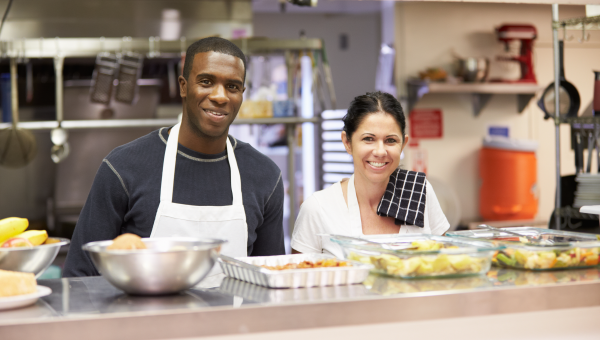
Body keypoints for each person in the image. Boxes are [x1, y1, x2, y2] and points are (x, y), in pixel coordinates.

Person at [64, 37, 285, 277]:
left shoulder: (265, 176)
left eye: (232, 86)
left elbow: (272, 279)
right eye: (206, 81)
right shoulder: (123, 168)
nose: (220, 96)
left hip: (234, 315)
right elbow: (79, 276)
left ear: (242, 93)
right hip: (144, 314)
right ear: (183, 86)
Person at [291, 91, 449, 256]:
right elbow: (298, 278)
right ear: (347, 142)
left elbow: (446, 265)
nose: (380, 151)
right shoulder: (318, 208)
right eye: (368, 139)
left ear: (403, 144)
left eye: (391, 140)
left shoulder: (420, 192)